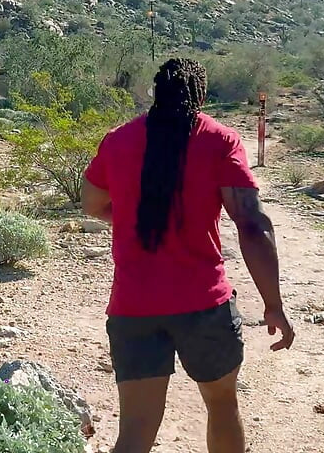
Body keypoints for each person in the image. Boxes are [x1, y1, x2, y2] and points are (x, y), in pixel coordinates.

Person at [81, 58, 294, 453]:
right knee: (222, 406)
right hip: (204, 306)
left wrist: (132, 218)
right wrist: (273, 304)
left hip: (133, 308)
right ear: (200, 96)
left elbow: (92, 203)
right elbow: (252, 224)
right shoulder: (219, 140)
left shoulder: (118, 140)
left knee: (135, 431)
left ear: (154, 93)